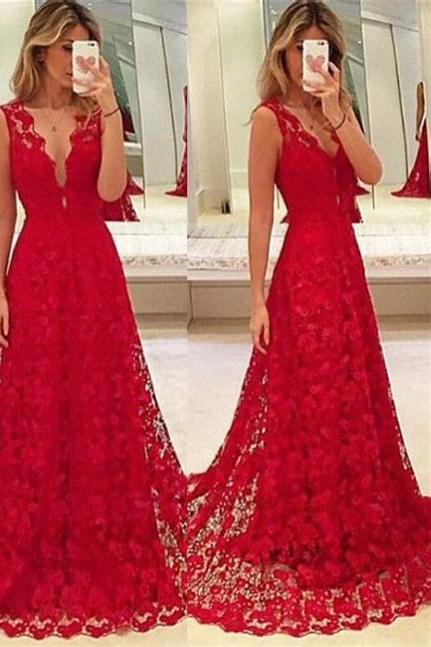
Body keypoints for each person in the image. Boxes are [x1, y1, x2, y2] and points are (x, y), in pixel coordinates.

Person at [187, 0, 431, 637]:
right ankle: (308, 509)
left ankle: (353, 503)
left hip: (346, 271)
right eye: (300, 49)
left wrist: (339, 111)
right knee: (307, 395)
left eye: (320, 49)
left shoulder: (339, 111)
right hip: (302, 272)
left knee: (349, 390)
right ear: (282, 53)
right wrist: (255, 297)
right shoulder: (268, 120)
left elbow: (374, 174)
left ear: (333, 57)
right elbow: (260, 214)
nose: (308, 60)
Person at [0, 0, 185, 639]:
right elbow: (3, 212)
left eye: (86, 48)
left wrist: (109, 106)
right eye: (67, 47)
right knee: (36, 399)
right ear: (40, 49)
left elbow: (111, 192)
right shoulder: (5, 120)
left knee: (98, 395)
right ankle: (39, 524)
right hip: (34, 270)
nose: (77, 59)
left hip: (93, 269)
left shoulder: (98, 115)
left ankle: (98, 518)